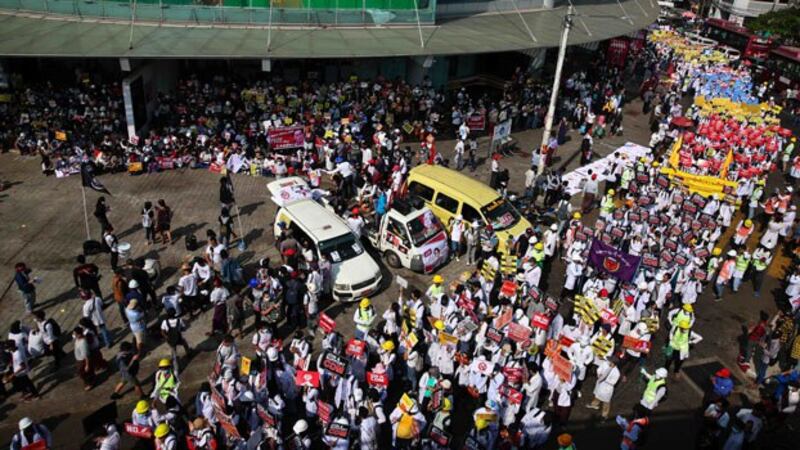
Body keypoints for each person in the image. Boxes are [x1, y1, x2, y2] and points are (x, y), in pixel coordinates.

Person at [161, 308, 191, 373]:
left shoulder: (165, 322)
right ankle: (188, 353)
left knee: (174, 354)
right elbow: (183, 328)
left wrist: (166, 337)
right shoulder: (179, 320)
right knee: (185, 343)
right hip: (178, 338)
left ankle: (176, 369)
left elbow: (163, 331)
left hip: (171, 340)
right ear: (175, 313)